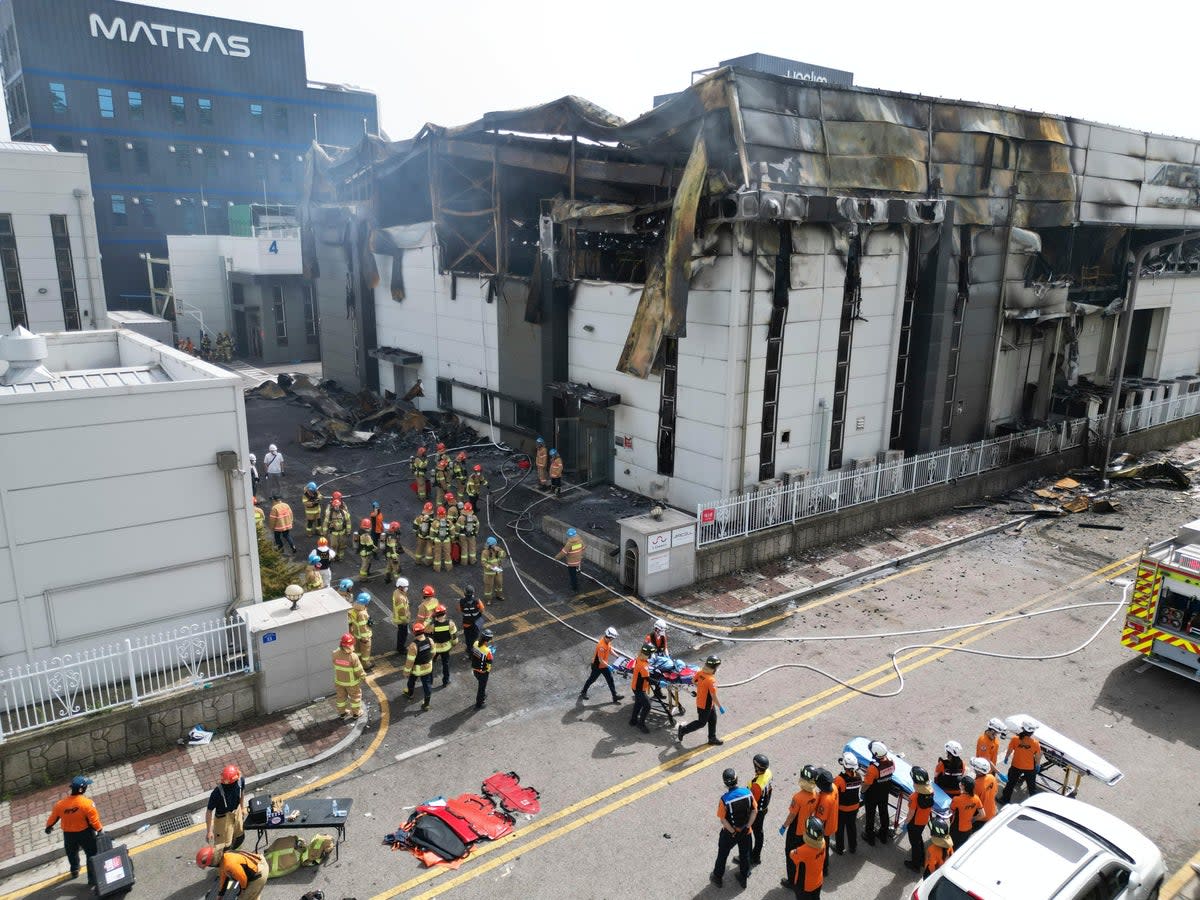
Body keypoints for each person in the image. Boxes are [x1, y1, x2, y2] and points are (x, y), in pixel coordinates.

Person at [45, 776, 103, 883]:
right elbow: (94, 821)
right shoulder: (87, 803)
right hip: (86, 834)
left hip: (69, 835)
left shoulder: (60, 805)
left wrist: (48, 827)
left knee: (72, 853)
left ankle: (75, 870)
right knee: (91, 854)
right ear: (82, 789)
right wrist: (99, 830)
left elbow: (53, 818)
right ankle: (92, 878)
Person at [711, 767, 756, 889]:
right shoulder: (747, 793)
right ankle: (744, 875)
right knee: (745, 854)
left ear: (725, 783)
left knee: (723, 854)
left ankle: (718, 877)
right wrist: (748, 826)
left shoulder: (724, 800)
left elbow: (723, 819)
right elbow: (754, 811)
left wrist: (732, 831)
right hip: (746, 831)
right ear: (737, 779)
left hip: (730, 833)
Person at [780, 765, 819, 887]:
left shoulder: (798, 797)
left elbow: (792, 815)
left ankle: (792, 881)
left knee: (791, 855)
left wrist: (784, 826)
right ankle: (801, 875)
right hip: (807, 831)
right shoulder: (816, 794)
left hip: (796, 831)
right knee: (803, 855)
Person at [677, 655, 723, 746]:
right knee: (701, 723)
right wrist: (720, 707)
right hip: (706, 705)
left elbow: (693, 681)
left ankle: (712, 738)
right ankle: (683, 730)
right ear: (714, 668)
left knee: (713, 719)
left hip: (703, 702)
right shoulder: (711, 680)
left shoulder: (700, 672)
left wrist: (701, 687)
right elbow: (713, 696)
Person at [196, 845, 269, 900]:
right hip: (258, 863)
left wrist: (243, 891)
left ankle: (253, 893)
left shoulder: (229, 864)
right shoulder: (224, 857)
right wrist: (220, 894)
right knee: (252, 894)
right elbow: (223, 877)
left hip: (259, 873)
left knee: (243, 897)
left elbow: (242, 878)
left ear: (212, 862)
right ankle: (254, 894)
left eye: (208, 865)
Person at [999, 718, 1042, 805]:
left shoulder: (1015, 739)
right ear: (1032, 732)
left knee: (1010, 784)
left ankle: (1004, 800)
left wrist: (1006, 757)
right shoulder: (1035, 743)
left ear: (1022, 728)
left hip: (1016, 766)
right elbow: (1037, 756)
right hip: (1030, 768)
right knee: (1031, 787)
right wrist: (1037, 765)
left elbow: (1009, 750)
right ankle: (1035, 805)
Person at [861, 740, 895, 845]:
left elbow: (867, 784)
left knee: (870, 815)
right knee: (884, 812)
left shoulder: (873, 768)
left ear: (875, 754)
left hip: (872, 795)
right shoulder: (891, 761)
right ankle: (883, 835)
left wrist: (862, 791)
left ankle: (869, 836)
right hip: (884, 792)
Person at [205, 765, 246, 850]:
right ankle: (224, 859)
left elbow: (242, 792)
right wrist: (209, 831)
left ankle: (234, 853)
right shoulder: (217, 793)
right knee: (223, 845)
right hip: (223, 819)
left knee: (240, 835)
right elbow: (209, 811)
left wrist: (241, 808)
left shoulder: (240, 781)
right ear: (233, 780)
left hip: (236, 811)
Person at [902, 766, 935, 872]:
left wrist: (906, 823)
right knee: (918, 839)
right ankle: (921, 860)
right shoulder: (931, 791)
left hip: (914, 823)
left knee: (914, 843)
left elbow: (911, 813)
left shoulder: (914, 797)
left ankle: (915, 865)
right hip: (923, 821)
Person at [578, 626, 623, 703]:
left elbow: (610, 649)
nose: (612, 639)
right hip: (597, 666)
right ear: (609, 637)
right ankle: (583, 692)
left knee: (610, 680)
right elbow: (600, 660)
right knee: (592, 679)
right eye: (612, 638)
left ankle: (614, 696)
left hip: (604, 665)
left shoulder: (607, 641)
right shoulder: (601, 646)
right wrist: (609, 667)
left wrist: (617, 656)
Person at [787, 816, 826, 900]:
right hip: (818, 881)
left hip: (804, 885)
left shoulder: (804, 850)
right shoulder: (823, 843)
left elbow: (791, 854)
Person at [745, 753, 773, 868]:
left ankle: (754, 857)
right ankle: (755, 855)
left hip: (758, 811)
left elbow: (752, 802)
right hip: (764, 807)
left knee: (754, 832)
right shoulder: (768, 773)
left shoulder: (757, 785)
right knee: (759, 832)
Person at [833, 752, 862, 856]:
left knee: (839, 828)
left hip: (842, 809)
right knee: (851, 827)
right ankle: (853, 847)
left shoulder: (839, 779)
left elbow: (832, 791)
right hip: (854, 808)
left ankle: (840, 849)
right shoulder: (859, 776)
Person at [332, 632, 365, 719]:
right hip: (351, 683)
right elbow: (359, 670)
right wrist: (363, 676)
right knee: (355, 698)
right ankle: (356, 713)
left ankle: (342, 713)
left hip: (339, 682)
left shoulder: (335, 653)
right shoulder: (353, 657)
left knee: (341, 697)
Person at [403, 622, 435, 711]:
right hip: (428, 668)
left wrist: (406, 672)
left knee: (411, 681)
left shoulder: (413, 646)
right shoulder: (430, 640)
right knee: (427, 685)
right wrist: (428, 661)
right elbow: (433, 653)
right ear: (423, 631)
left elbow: (410, 661)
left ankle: (410, 694)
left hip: (416, 670)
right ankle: (426, 704)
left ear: (414, 632)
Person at [813, 768, 838, 875]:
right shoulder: (834, 787)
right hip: (833, 822)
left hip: (825, 829)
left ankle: (824, 869)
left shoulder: (825, 800)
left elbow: (820, 820)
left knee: (823, 849)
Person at [429, 604, 459, 686]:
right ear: (445, 614)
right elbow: (454, 636)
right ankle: (446, 681)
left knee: (431, 663)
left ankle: (429, 682)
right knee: (445, 664)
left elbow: (428, 636)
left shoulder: (433, 625)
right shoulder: (450, 624)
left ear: (436, 615)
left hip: (435, 648)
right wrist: (454, 643)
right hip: (446, 648)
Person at [949, 775, 981, 848]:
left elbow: (951, 810)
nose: (959, 784)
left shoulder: (957, 799)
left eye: (961, 783)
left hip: (956, 829)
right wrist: (972, 819)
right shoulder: (976, 798)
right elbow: (982, 814)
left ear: (963, 787)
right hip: (968, 829)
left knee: (952, 847)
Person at [629, 642, 653, 733]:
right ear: (647, 654)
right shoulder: (643, 666)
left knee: (638, 703)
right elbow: (648, 679)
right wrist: (658, 683)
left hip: (635, 687)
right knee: (647, 706)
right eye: (651, 654)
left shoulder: (639, 659)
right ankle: (641, 724)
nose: (651, 656)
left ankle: (633, 720)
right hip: (639, 689)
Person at [971, 756, 999, 828]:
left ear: (978, 771)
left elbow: (972, 803)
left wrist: (972, 819)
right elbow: (995, 791)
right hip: (993, 812)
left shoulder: (975, 784)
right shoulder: (991, 777)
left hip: (980, 817)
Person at [555, 527, 585, 592]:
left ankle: (575, 588)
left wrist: (556, 558)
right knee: (576, 569)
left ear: (569, 535)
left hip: (571, 562)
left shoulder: (569, 544)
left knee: (572, 575)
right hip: (578, 559)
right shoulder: (580, 541)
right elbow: (583, 548)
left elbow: (563, 552)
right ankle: (578, 569)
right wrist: (580, 554)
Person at [471, 629, 494, 710]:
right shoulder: (488, 651)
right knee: (481, 688)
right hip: (483, 672)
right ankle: (479, 704)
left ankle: (483, 695)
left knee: (481, 685)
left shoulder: (475, 643)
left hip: (474, 669)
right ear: (488, 640)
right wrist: (487, 670)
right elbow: (489, 663)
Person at [349, 592, 374, 670]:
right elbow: (363, 627)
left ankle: (358, 662)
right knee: (366, 651)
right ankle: (366, 664)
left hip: (356, 634)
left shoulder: (353, 609)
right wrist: (365, 638)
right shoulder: (362, 613)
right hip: (363, 637)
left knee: (358, 650)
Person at [323, 491, 352, 556]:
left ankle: (340, 557)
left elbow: (348, 520)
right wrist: (325, 532)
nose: (337, 507)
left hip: (342, 531)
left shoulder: (343, 508)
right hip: (333, 532)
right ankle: (333, 556)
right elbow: (326, 521)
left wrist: (348, 531)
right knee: (333, 545)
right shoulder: (329, 511)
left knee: (341, 546)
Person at [459, 586, 486, 655]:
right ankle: (472, 649)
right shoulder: (477, 601)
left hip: (466, 623)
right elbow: (482, 609)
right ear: (473, 593)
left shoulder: (462, 601)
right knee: (474, 637)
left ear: (464, 593)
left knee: (468, 637)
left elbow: (459, 610)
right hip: (476, 623)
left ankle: (469, 648)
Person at [481, 536, 507, 600]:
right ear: (491, 545)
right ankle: (488, 599)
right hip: (489, 573)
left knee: (499, 584)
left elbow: (504, 555)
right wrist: (491, 567)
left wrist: (499, 551)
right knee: (489, 586)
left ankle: (499, 596)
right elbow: (483, 563)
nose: (496, 545)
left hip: (498, 571)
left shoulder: (497, 549)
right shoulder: (485, 552)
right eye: (494, 544)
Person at [430, 506, 452, 573]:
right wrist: (452, 539)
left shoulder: (434, 523)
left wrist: (432, 541)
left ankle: (437, 569)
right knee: (447, 554)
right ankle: (449, 568)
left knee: (437, 555)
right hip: (447, 540)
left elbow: (432, 533)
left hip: (437, 541)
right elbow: (452, 532)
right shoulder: (448, 522)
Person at [392, 577, 411, 654]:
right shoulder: (400, 598)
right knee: (403, 634)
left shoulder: (397, 592)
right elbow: (401, 611)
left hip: (399, 618)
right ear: (400, 587)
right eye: (405, 587)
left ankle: (400, 647)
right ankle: (401, 648)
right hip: (401, 620)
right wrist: (405, 620)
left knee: (401, 633)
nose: (406, 588)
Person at [413, 502, 433, 567]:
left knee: (419, 549)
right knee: (429, 551)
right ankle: (428, 562)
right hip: (429, 537)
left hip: (420, 536)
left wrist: (416, 534)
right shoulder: (432, 519)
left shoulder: (419, 518)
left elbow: (415, 527)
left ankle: (417, 561)